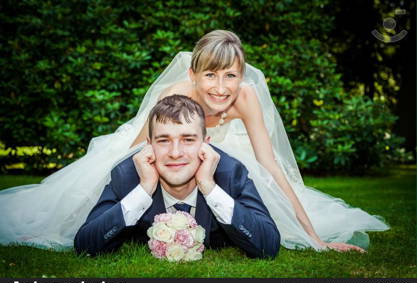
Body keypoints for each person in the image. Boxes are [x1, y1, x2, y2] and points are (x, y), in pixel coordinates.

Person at [0, 30, 388, 252]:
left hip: (214, 151)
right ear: (194, 74)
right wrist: (66, 228)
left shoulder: (247, 98)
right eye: (212, 76)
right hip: (166, 142)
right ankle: (59, 226)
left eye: (231, 76)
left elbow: (271, 166)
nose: (221, 88)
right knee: (106, 180)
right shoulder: (177, 91)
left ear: (242, 75)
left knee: (255, 184)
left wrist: (315, 240)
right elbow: (139, 149)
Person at [74, 95, 280, 258]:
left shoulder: (230, 173)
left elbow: (268, 245)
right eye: (163, 140)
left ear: (205, 143)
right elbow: (85, 245)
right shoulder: (127, 175)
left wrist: (209, 186)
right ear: (149, 145)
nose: (175, 152)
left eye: (188, 139)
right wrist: (144, 189)